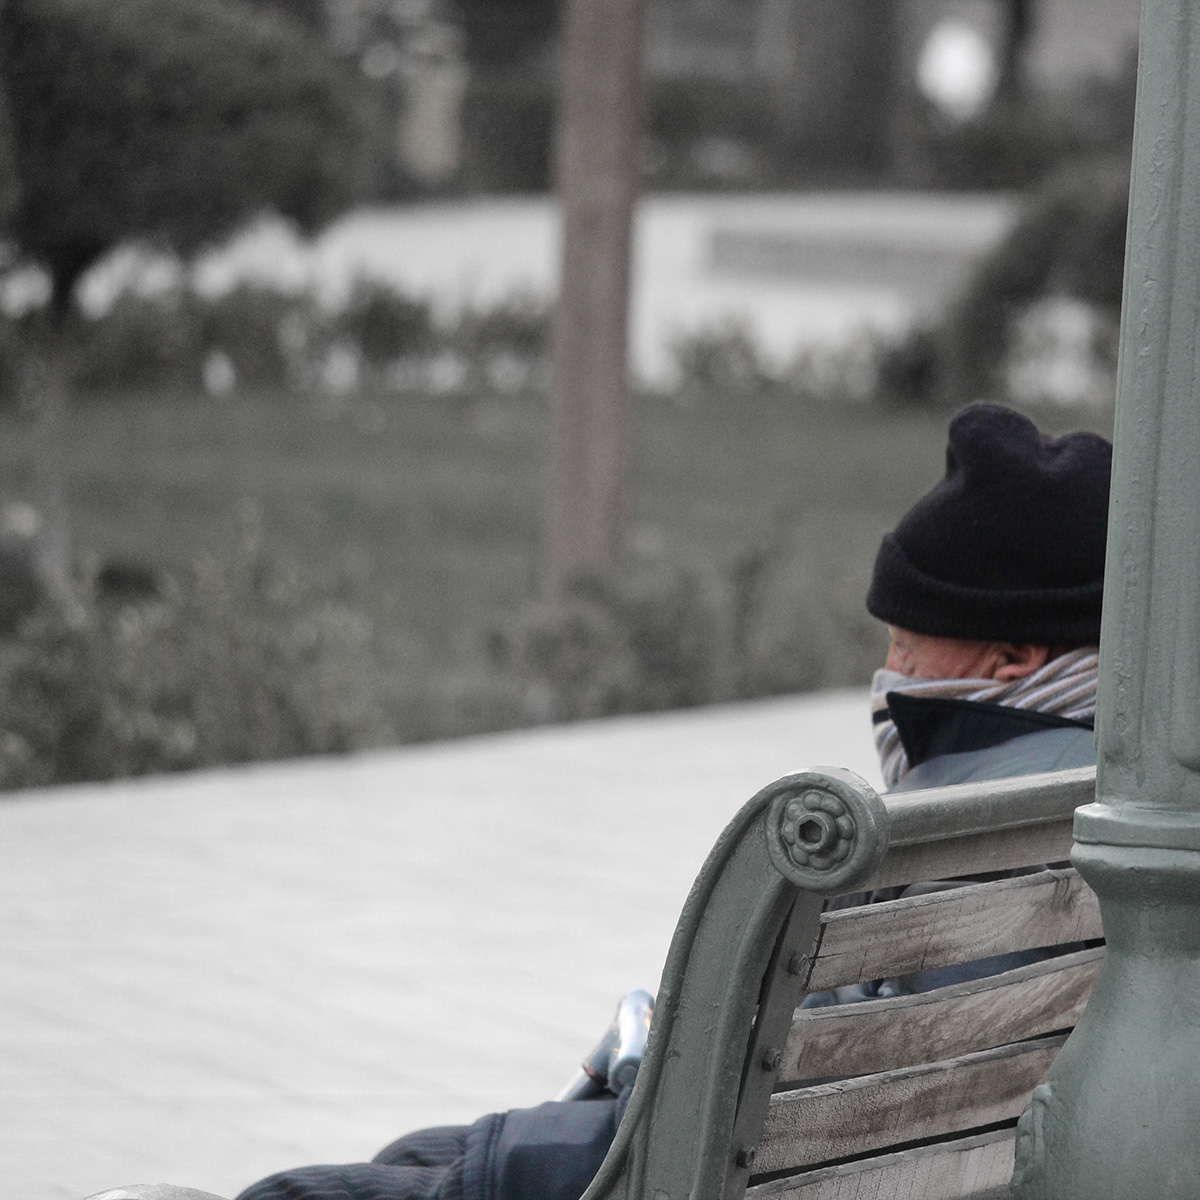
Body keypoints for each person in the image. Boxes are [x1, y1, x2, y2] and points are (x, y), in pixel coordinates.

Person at [236, 403, 1112, 1200]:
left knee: (313, 1191)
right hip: (837, 1158)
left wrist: (653, 1071)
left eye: (908, 649)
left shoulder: (959, 835)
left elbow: (815, 1101)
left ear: (1010, 661)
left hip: (718, 1170)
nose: (889, 676)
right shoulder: (1096, 800)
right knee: (423, 1156)